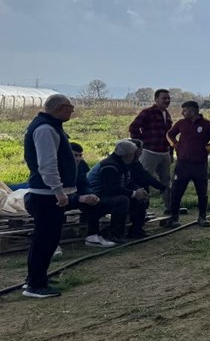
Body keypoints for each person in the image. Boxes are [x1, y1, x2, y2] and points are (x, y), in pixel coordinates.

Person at [22, 94, 80, 298]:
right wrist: (59, 191)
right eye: (70, 107)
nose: (72, 111)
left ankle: (36, 277)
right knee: (45, 239)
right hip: (47, 194)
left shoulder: (50, 126)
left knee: (45, 238)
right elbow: (47, 164)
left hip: (48, 193)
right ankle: (35, 285)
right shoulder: (46, 129)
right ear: (61, 108)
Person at [164, 101, 210, 228]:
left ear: (192, 111)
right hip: (182, 164)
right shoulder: (181, 123)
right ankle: (174, 217)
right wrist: (175, 145)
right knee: (176, 191)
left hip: (200, 165)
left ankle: (202, 217)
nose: (182, 113)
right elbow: (169, 134)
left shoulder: (208, 124)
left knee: (202, 192)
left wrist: (208, 148)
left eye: (184, 111)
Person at [86, 140, 149, 244]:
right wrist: (134, 193)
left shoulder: (122, 163)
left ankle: (136, 230)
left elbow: (127, 182)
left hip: (107, 193)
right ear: (127, 155)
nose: (135, 157)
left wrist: (138, 191)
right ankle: (114, 233)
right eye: (133, 154)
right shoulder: (109, 166)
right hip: (96, 195)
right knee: (122, 200)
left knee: (140, 197)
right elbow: (111, 189)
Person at [129, 89, 174, 216]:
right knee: (144, 180)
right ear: (156, 99)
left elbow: (169, 135)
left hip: (164, 152)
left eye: (168, 98)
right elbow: (133, 127)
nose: (167, 100)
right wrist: (141, 144)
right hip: (149, 152)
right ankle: (142, 209)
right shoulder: (147, 112)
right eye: (164, 98)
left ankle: (170, 207)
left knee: (166, 181)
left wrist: (171, 152)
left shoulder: (167, 114)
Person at [70, 143, 115, 248]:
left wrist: (91, 194)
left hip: (76, 196)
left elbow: (85, 184)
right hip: (57, 198)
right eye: (75, 155)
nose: (78, 158)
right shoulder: (57, 166)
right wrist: (78, 198)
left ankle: (92, 236)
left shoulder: (82, 165)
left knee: (95, 203)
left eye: (80, 156)